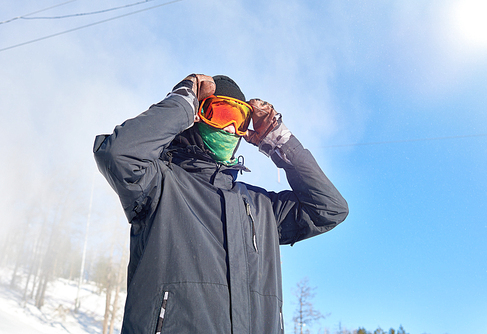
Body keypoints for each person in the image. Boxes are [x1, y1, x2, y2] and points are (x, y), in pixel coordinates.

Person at [93, 74, 348, 334]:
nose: (229, 129)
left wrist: (278, 141)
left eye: (239, 121)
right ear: (198, 115)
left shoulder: (262, 207)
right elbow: (117, 154)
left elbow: (329, 209)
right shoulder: (160, 185)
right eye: (222, 113)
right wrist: (182, 102)